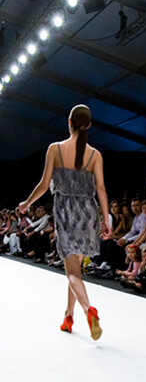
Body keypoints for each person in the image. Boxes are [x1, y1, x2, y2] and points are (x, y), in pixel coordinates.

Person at [18, 104, 110, 340]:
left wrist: (27, 203)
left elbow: (43, 185)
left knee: (72, 274)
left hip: (66, 214)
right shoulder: (95, 155)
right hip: (88, 214)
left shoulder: (55, 149)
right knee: (75, 270)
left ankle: (89, 310)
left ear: (69, 122)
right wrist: (106, 219)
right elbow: (101, 188)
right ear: (89, 125)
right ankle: (68, 317)